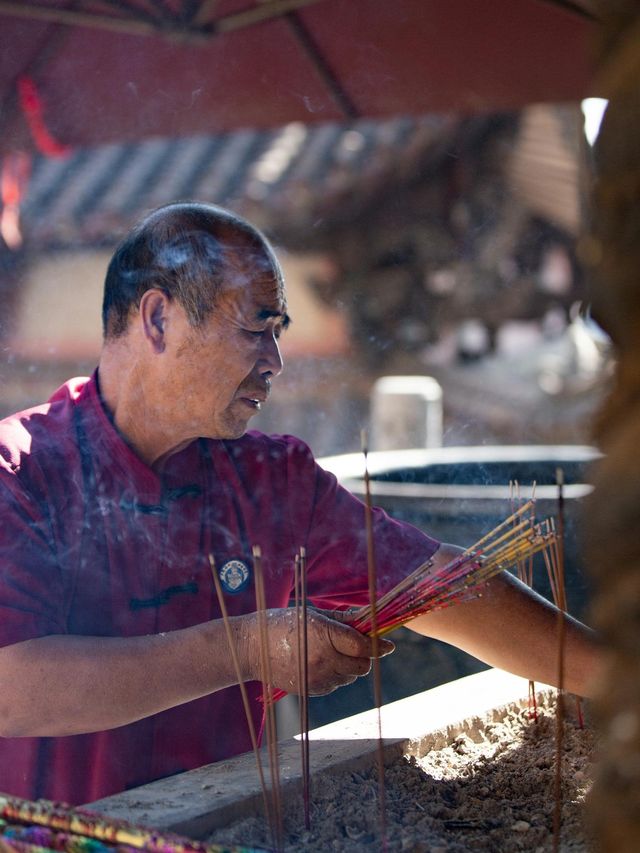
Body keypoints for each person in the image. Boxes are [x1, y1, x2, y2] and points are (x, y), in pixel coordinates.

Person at [0, 202, 598, 806]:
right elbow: (11, 689)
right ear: (158, 320)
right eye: (256, 330)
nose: (275, 363)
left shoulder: (269, 477)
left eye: (279, 334)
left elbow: (433, 583)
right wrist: (247, 648)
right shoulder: (20, 471)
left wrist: (609, 676)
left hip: (221, 831)